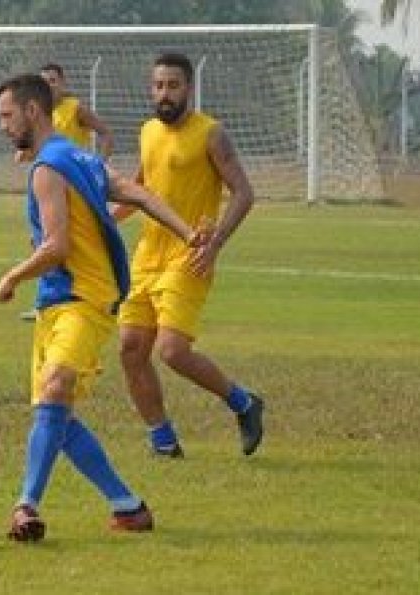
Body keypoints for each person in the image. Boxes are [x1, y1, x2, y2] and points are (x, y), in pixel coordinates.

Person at [0, 73, 206, 542]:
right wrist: (188, 233)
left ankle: (26, 505)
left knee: (54, 390)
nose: (4, 126)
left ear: (32, 111)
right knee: (58, 417)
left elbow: (56, 246)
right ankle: (127, 506)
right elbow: (142, 194)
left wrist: (12, 275)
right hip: (57, 303)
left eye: (8, 116)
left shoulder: (48, 168)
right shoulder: (81, 158)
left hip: (82, 301)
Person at [115, 52, 264, 458]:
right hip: (146, 256)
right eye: (158, 86)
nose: (164, 94)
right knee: (130, 348)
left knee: (172, 351)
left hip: (190, 255)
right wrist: (104, 221)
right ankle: (162, 440)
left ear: (189, 89)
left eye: (173, 86)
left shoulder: (211, 134)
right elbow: (139, 192)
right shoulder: (147, 132)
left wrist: (214, 244)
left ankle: (244, 403)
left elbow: (244, 193)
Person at [17, 63, 116, 322]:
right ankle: (46, 302)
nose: (49, 85)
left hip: (76, 189)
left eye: (53, 80)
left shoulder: (75, 109)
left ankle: (98, 295)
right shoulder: (39, 114)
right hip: (49, 185)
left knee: (80, 243)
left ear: (63, 82)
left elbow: (105, 133)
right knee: (41, 242)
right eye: (44, 81)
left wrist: (99, 165)